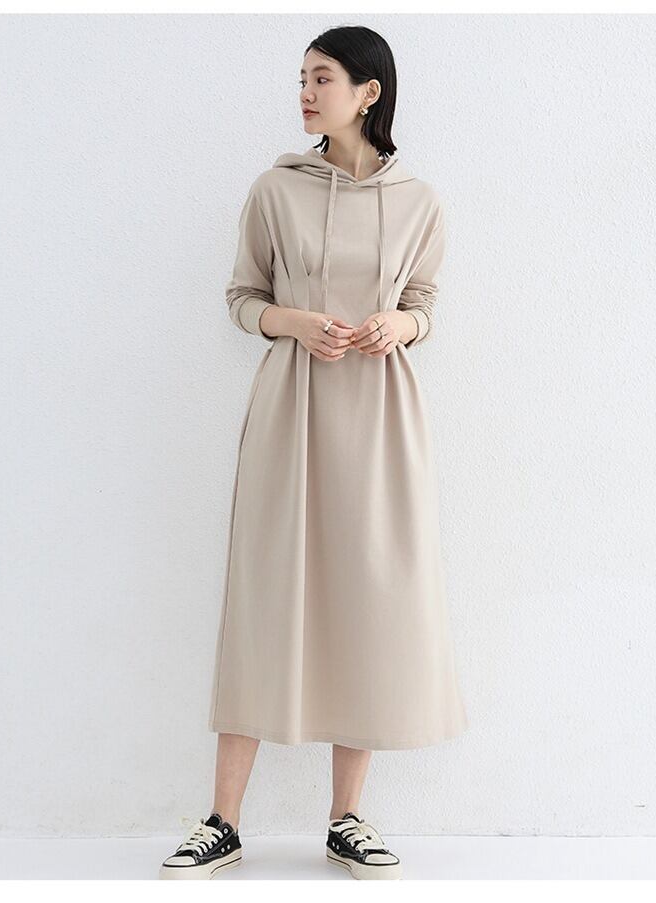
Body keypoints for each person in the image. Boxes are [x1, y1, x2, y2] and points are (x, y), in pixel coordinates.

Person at [159, 25, 468, 882]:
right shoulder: (275, 190)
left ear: (369, 92)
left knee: (371, 599)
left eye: (321, 78)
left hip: (381, 416)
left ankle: (347, 819)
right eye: (301, 77)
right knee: (264, 596)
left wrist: (400, 323)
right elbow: (241, 297)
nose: (304, 92)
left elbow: (426, 301)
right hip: (289, 410)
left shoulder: (420, 201)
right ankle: (222, 820)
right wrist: (293, 321)